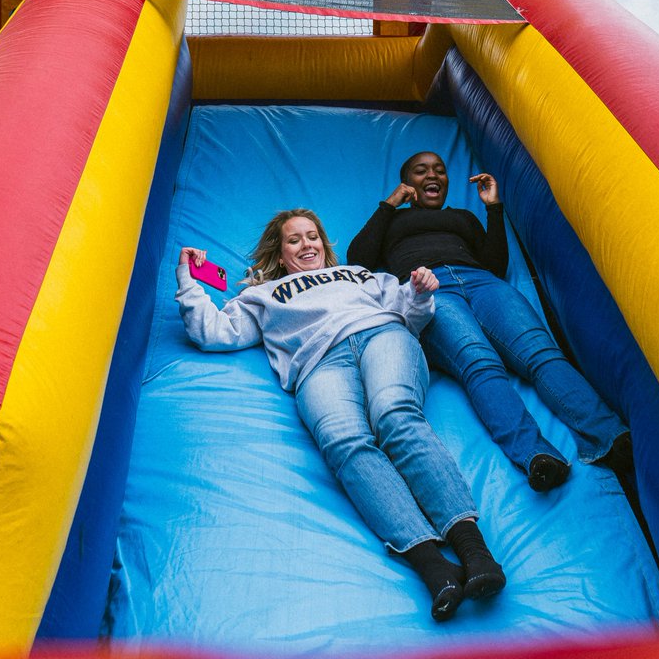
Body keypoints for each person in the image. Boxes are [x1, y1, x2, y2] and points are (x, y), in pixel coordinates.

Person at [175, 207, 505, 622]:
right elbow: (213, 333)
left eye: (312, 236)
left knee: (395, 416)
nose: (306, 245)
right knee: (344, 443)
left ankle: (476, 554)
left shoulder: (359, 274)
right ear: (280, 254)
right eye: (294, 240)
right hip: (317, 363)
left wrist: (421, 292)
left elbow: (413, 314)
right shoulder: (259, 297)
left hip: (381, 333)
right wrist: (188, 277)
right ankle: (435, 569)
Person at [348, 152, 631, 493]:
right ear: (408, 183)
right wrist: (389, 204)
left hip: (483, 282)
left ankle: (610, 438)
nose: (433, 175)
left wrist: (493, 208)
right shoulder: (391, 222)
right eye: (421, 171)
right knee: (480, 362)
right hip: (431, 288)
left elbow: (494, 264)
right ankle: (536, 455)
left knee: (542, 353)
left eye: (439, 169)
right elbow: (359, 259)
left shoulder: (464, 218)